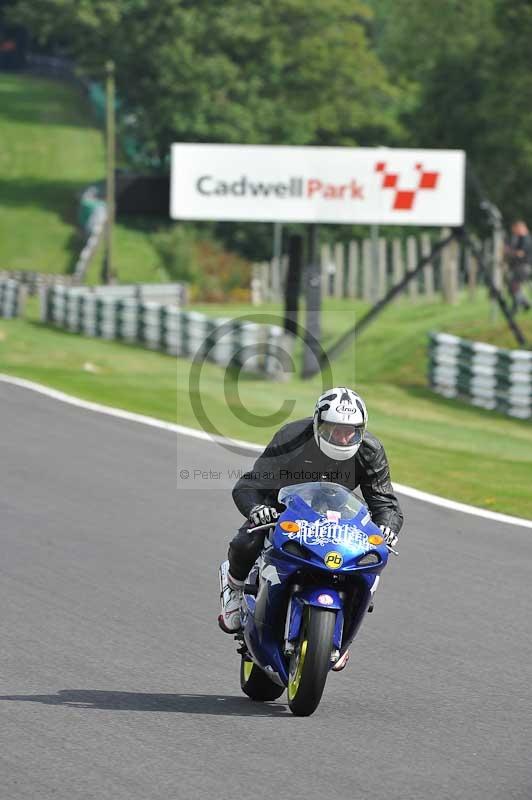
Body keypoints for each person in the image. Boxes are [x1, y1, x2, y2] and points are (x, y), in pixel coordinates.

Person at [219, 387, 404, 668]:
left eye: (351, 431)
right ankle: (233, 586)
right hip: (283, 508)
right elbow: (250, 484)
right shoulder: (292, 437)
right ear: (318, 423)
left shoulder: (370, 451)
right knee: (247, 541)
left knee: (370, 560)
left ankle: (342, 634)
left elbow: (384, 501)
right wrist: (258, 510)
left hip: (339, 518)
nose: (343, 437)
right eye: (334, 430)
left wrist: (386, 527)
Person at [505, 220, 532, 314]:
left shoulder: (526, 239)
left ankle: (522, 304)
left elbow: (520, 253)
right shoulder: (520, 238)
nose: (515, 231)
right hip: (519, 267)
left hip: (523, 267)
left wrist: (509, 252)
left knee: (513, 285)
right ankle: (522, 304)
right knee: (512, 287)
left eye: (516, 229)